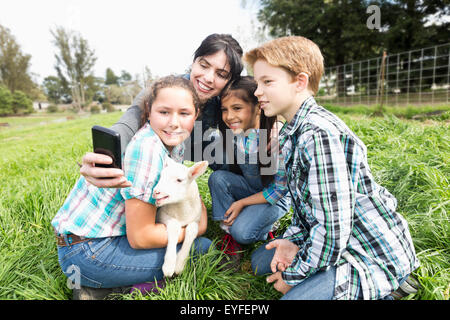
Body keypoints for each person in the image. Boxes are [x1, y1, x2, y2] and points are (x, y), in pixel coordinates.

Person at [245, 36, 419, 300]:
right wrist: (291, 241)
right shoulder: (292, 132)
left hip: (368, 252)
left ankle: (392, 287)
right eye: (258, 82)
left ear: (299, 82)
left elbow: (333, 230)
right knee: (261, 262)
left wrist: (294, 276)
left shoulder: (318, 135)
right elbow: (306, 209)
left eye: (267, 82)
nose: (257, 91)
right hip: (336, 238)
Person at [52, 76, 211, 299]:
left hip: (84, 242)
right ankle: (100, 287)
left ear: (196, 115)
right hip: (87, 252)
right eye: (164, 112)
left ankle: (102, 282)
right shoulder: (147, 150)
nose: (174, 122)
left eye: (184, 114)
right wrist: (195, 227)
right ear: (149, 110)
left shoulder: (170, 142)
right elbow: (141, 237)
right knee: (202, 247)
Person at [79, 33, 244, 188]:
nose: (208, 78)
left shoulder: (225, 100)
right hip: (164, 146)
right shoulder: (165, 91)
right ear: (193, 62)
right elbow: (128, 123)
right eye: (203, 65)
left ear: (230, 82)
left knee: (232, 153)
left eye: (221, 74)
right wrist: (103, 157)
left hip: (196, 144)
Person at [208, 76, 290, 265]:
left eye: (237, 108)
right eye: (224, 110)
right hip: (251, 186)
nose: (229, 116)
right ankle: (228, 234)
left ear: (258, 106)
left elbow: (278, 190)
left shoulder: (275, 138)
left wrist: (242, 203)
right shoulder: (237, 132)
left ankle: (267, 227)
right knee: (217, 178)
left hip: (274, 198)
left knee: (243, 232)